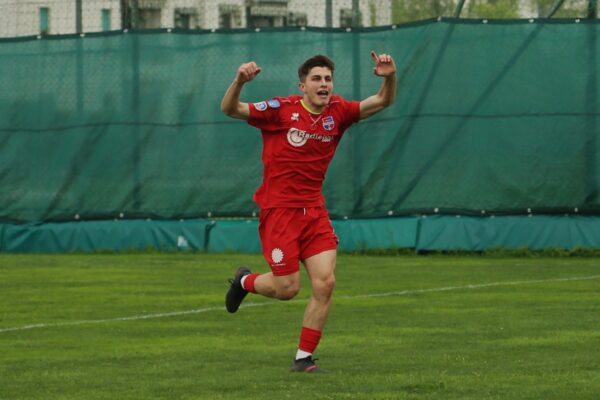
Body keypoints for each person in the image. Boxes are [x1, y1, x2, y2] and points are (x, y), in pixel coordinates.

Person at [220, 51, 396, 372]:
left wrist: (389, 77)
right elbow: (230, 109)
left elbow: (382, 101)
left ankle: (303, 358)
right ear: (302, 85)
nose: (324, 84)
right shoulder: (280, 110)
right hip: (279, 212)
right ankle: (244, 282)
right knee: (287, 289)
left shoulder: (339, 112)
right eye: (316, 78)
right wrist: (239, 82)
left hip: (314, 211)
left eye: (328, 79)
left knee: (325, 283)